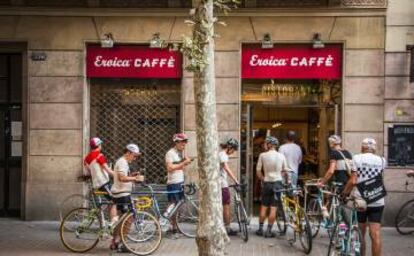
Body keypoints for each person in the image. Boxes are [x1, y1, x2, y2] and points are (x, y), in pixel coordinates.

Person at [343, 138, 386, 256]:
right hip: (377, 200)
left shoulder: (356, 158)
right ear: (374, 148)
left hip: (361, 200)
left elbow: (353, 180)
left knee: (360, 234)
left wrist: (344, 193)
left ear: (362, 147)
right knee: (375, 234)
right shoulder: (382, 160)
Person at [110, 143, 145, 251]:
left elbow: (124, 176)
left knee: (121, 220)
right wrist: (135, 179)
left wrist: (132, 175)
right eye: (134, 156)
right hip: (122, 194)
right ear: (128, 153)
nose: (134, 159)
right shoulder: (122, 162)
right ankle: (122, 244)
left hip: (120, 193)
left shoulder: (122, 162)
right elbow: (121, 178)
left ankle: (115, 242)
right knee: (128, 219)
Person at [256, 136, 289, 238]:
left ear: (269, 144)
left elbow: (258, 171)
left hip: (267, 182)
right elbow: (285, 170)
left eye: (266, 143)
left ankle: (260, 229)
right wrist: (284, 179)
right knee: (273, 208)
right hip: (277, 183)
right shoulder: (281, 156)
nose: (265, 145)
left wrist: (263, 179)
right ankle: (269, 231)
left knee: (264, 206)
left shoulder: (262, 155)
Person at [83, 137, 117, 225]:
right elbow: (108, 170)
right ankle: (112, 223)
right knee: (115, 201)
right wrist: (119, 176)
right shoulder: (99, 155)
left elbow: (88, 172)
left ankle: (103, 220)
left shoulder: (86, 158)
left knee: (108, 201)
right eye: (100, 144)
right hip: (104, 183)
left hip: (96, 184)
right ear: (99, 145)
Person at [165, 133, 192, 233]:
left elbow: (178, 166)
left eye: (185, 142)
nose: (184, 144)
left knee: (177, 205)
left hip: (179, 182)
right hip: (173, 183)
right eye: (182, 142)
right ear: (176, 142)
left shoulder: (179, 153)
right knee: (172, 204)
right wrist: (184, 163)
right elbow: (169, 168)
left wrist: (184, 162)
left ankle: (174, 225)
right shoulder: (170, 153)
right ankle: (167, 224)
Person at [219, 138, 240, 236]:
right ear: (229, 147)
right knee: (226, 206)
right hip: (222, 184)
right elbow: (226, 168)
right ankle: (227, 228)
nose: (233, 152)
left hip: (219, 184)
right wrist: (235, 179)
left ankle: (223, 226)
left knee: (222, 206)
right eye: (233, 150)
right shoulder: (223, 155)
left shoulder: (221, 154)